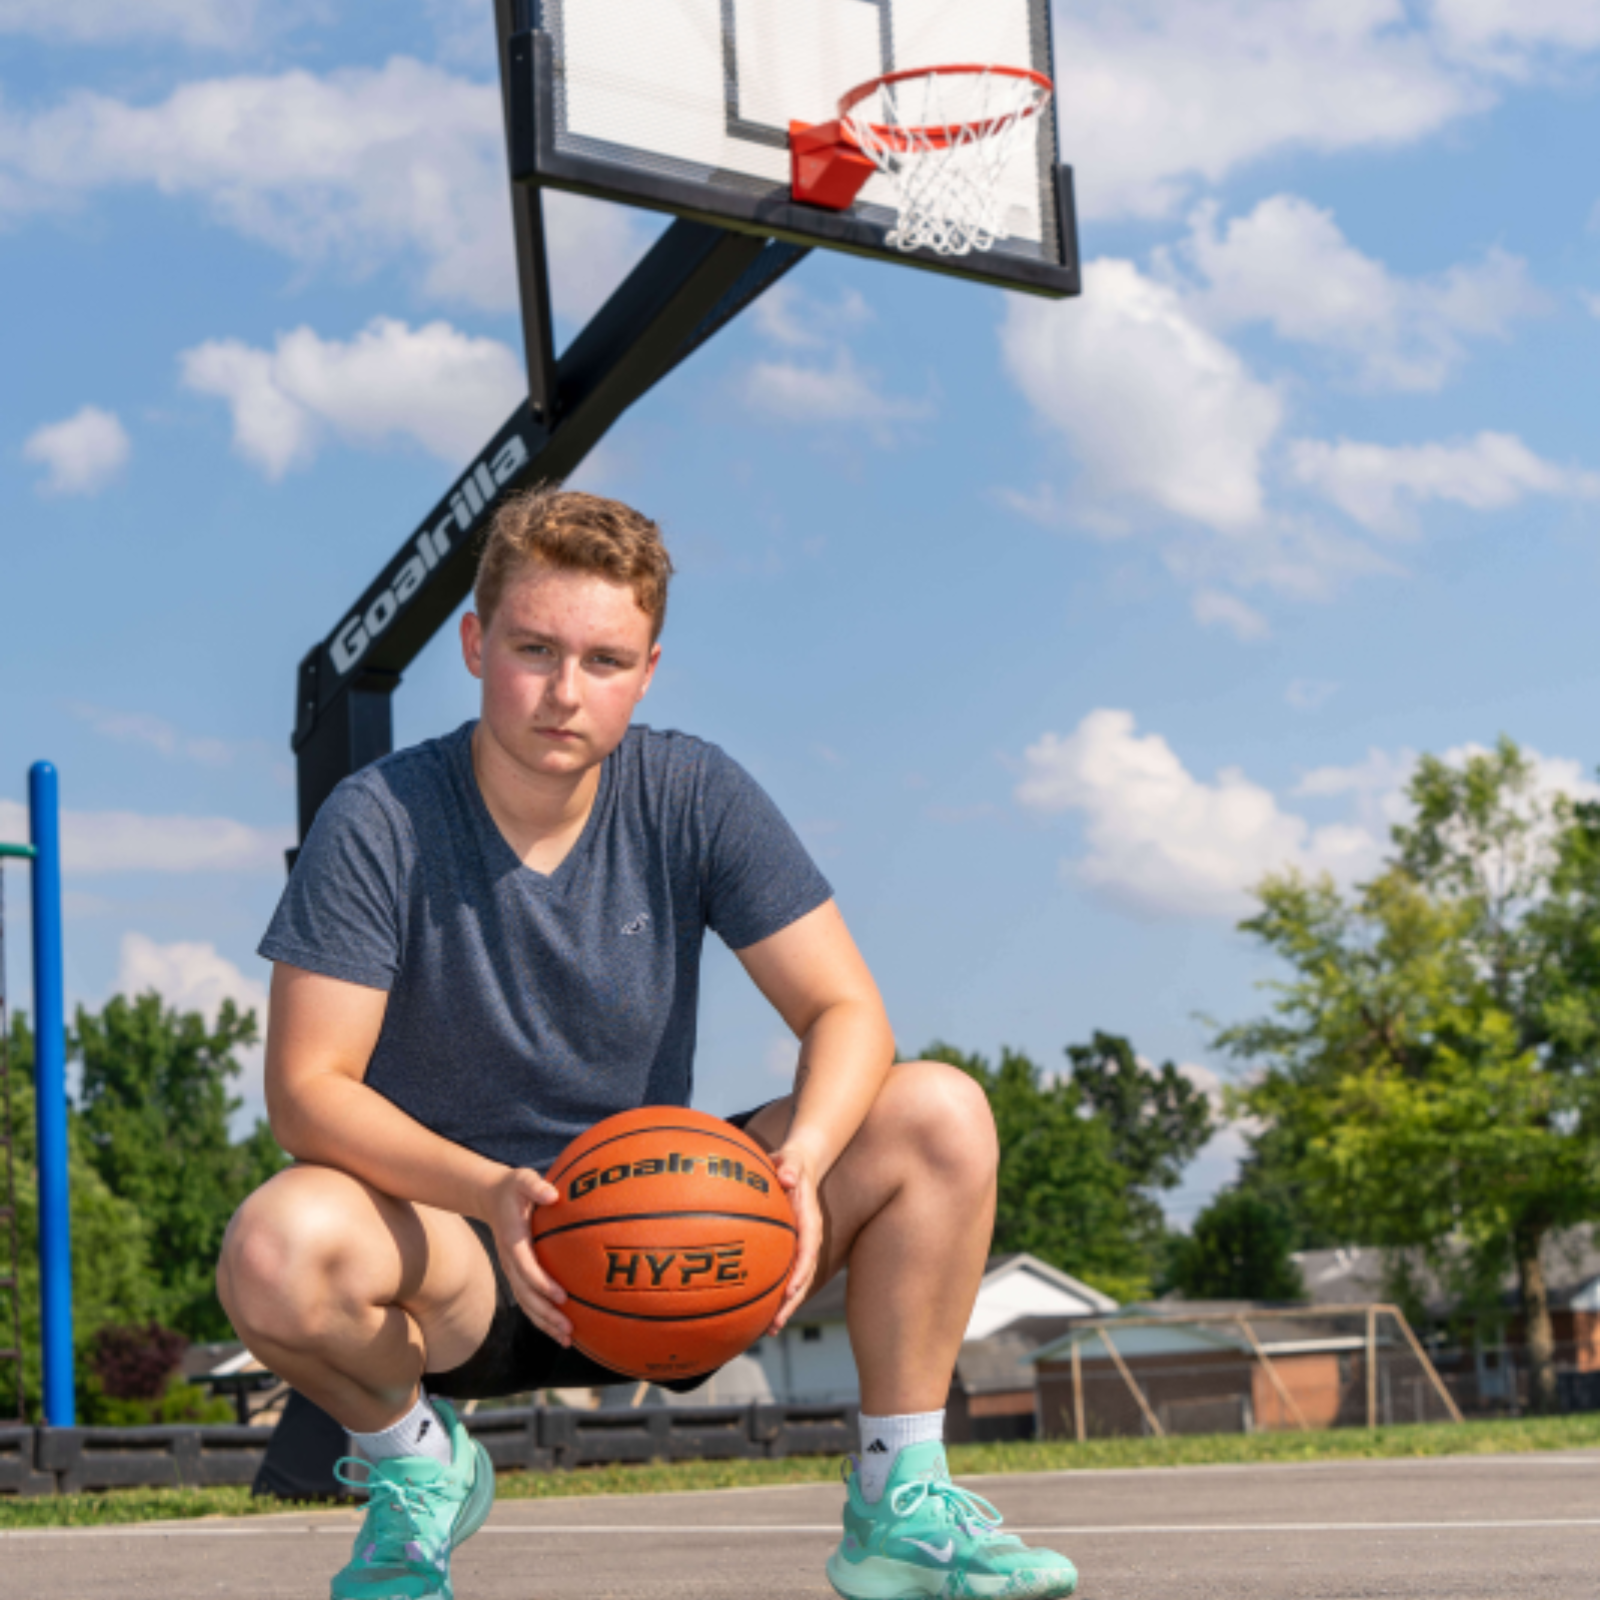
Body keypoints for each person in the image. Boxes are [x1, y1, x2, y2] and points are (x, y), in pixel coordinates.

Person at [218, 488, 1078, 1600]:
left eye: (604, 659)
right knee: (274, 1245)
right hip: (464, 1248)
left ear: (649, 669)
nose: (565, 692)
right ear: (477, 646)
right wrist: (493, 1191)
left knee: (937, 1111)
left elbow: (846, 1012)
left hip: (671, 1232)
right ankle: (415, 1468)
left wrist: (804, 1164)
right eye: (534, 649)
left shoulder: (691, 791)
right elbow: (307, 1092)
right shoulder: (379, 818)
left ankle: (897, 1500)